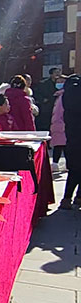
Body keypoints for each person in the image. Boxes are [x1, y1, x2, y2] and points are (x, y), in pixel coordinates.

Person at [60, 74, 81, 209]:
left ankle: (67, 198)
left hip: (72, 138)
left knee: (74, 170)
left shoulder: (66, 96)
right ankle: (77, 198)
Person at [50, 84, 66, 172]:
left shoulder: (60, 96)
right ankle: (64, 164)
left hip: (59, 124)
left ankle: (55, 164)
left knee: (59, 146)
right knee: (63, 146)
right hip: (61, 125)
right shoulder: (61, 96)